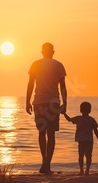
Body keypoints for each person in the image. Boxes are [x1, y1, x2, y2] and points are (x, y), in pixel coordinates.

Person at [26, 42, 67, 174]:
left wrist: (27, 101)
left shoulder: (36, 64)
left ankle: (44, 161)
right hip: (53, 103)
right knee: (51, 134)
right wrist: (65, 103)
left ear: (42, 51)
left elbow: (30, 84)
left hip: (39, 102)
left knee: (41, 133)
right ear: (53, 51)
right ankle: (47, 163)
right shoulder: (59, 65)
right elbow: (63, 86)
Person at [63, 102, 98, 175]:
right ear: (90, 110)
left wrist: (64, 113)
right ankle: (87, 170)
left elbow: (69, 119)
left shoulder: (78, 118)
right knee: (88, 156)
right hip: (89, 140)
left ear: (80, 110)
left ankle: (81, 170)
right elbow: (96, 131)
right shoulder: (91, 119)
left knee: (81, 156)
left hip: (81, 140)